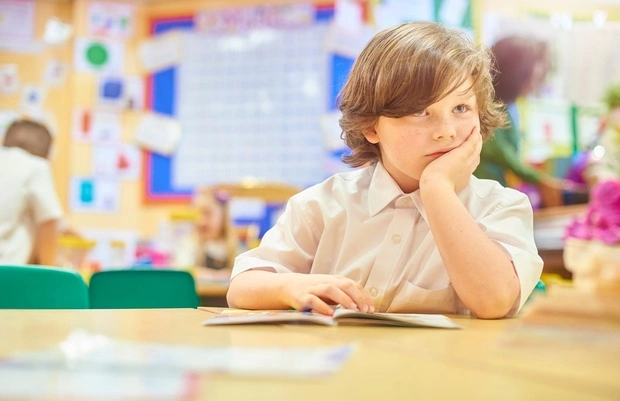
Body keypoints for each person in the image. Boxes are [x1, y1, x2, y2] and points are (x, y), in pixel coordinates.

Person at [227, 22, 543, 319]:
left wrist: (436, 188)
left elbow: (495, 301)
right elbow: (242, 287)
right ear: (371, 127)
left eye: (460, 108)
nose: (446, 131)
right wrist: (289, 287)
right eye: (421, 111)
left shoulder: (500, 207)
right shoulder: (323, 205)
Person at [474, 36, 569, 208]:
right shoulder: (485, 102)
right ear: (515, 74)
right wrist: (540, 180)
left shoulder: (508, 105)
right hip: (480, 198)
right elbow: (501, 152)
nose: (533, 85)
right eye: (531, 78)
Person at [0, 119, 63, 266]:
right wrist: (48, 271)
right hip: (7, 274)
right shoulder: (37, 166)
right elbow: (49, 220)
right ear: (47, 155)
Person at [175, 188, 237, 275]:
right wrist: (216, 276)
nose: (201, 221)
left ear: (223, 217)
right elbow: (183, 268)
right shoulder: (190, 243)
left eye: (208, 214)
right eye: (197, 214)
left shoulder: (234, 248)